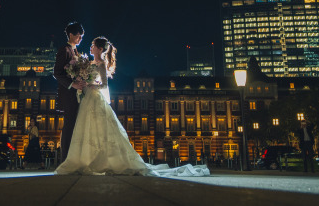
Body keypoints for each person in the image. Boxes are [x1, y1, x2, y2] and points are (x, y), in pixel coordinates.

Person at [55, 36, 209, 177]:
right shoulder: (89, 63)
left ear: (100, 49)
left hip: (94, 97)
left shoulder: (101, 64)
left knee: (100, 129)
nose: (91, 47)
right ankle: (85, 159)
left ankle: (101, 161)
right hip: (87, 98)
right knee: (86, 129)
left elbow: (104, 85)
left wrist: (89, 83)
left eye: (93, 45)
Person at [53, 21, 87, 161]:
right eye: (79, 35)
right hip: (68, 94)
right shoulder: (64, 50)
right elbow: (57, 73)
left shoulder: (75, 51)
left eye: (82, 36)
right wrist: (72, 84)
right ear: (71, 34)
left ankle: (72, 158)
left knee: (74, 126)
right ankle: (65, 160)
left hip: (76, 94)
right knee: (69, 126)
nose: (80, 38)